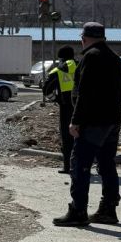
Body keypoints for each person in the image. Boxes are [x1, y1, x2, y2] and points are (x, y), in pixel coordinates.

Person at [53, 22, 121, 227]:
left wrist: (75, 121)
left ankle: (78, 211)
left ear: (84, 39)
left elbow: (84, 93)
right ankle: (108, 209)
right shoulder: (115, 58)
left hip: (93, 121)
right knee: (107, 164)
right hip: (112, 121)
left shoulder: (90, 57)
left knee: (79, 164)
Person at [42, 46, 78, 175]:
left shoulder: (57, 71)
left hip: (66, 108)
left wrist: (56, 99)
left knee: (67, 137)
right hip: (82, 107)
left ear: (61, 58)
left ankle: (68, 167)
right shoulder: (82, 66)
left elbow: (46, 90)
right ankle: (83, 167)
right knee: (82, 137)